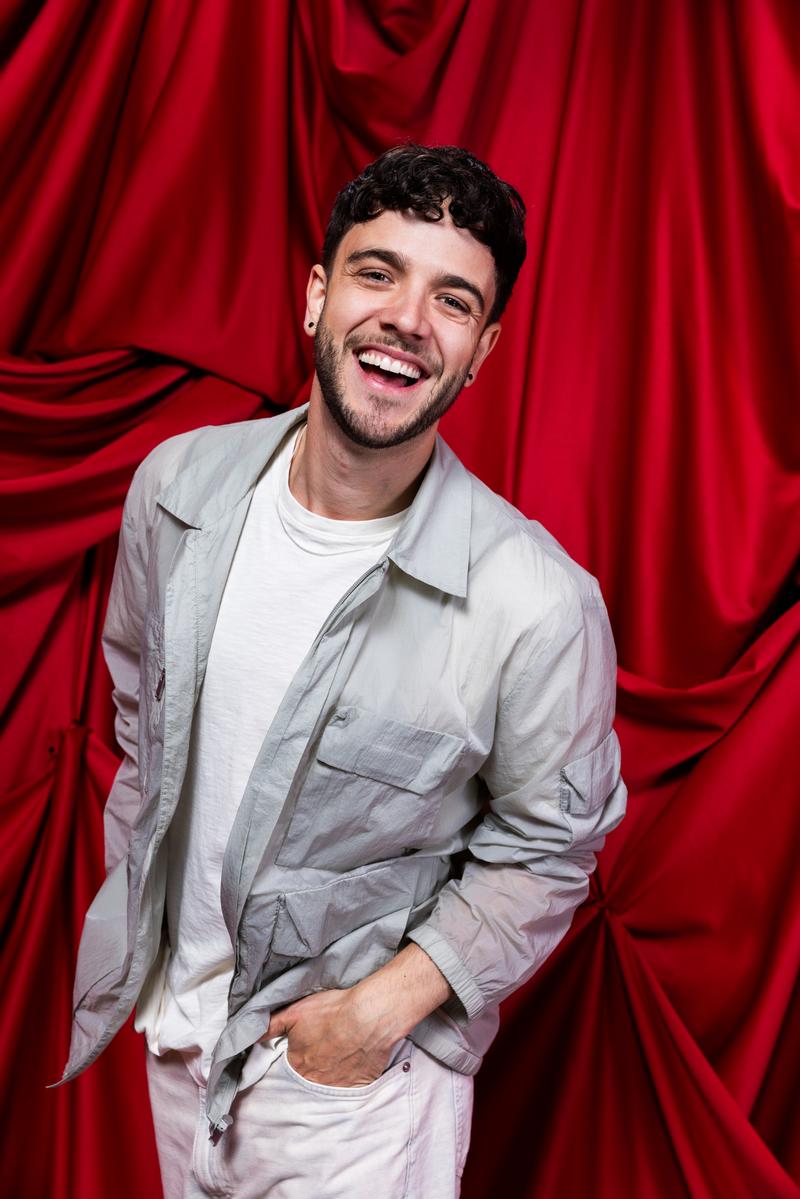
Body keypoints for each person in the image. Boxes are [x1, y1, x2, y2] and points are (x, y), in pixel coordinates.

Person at [59, 144, 627, 1197]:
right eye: (377, 273)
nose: (408, 317)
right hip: (171, 1034)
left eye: (452, 299)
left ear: (481, 350)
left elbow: (552, 849)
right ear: (316, 295)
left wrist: (375, 1013)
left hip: (348, 1097)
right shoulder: (175, 488)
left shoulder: (535, 600)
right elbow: (143, 718)